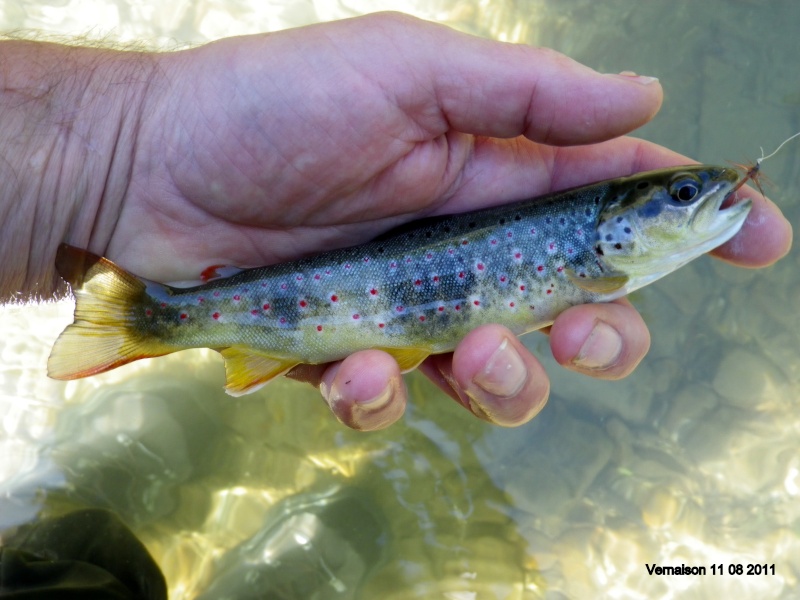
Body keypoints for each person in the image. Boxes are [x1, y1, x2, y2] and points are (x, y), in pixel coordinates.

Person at [0, 13, 791, 431]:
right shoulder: (599, 260)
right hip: (309, 295)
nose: (710, 201)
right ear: (621, 224)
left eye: (687, 197)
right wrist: (119, 154)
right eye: (684, 199)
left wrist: (113, 157)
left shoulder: (608, 254)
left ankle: (149, 319)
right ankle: (146, 320)